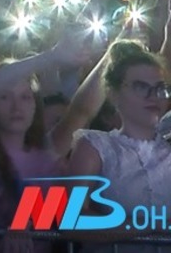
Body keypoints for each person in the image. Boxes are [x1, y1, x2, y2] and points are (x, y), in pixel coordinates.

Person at [0, 31, 108, 253]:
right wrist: (52, 56)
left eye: (25, 97)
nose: (16, 107)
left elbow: (81, 112)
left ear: (36, 104)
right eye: (5, 97)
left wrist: (114, 53)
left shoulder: (47, 155)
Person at [68, 41, 171, 252]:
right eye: (141, 87)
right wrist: (151, 224)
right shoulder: (94, 147)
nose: (153, 96)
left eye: (160, 89)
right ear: (114, 94)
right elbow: (71, 219)